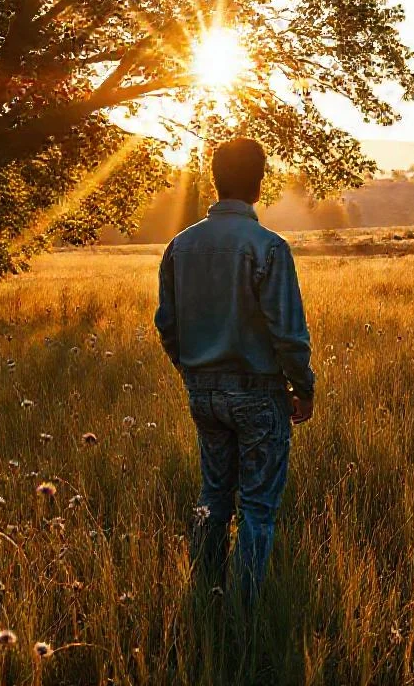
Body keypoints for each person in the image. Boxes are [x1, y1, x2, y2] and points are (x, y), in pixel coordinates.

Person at [154, 137, 315, 607]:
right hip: (260, 394)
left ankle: (205, 593)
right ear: (260, 183)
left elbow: (167, 324)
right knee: (259, 508)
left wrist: (191, 372)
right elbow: (288, 333)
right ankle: (243, 614)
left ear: (213, 179)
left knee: (214, 494)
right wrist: (303, 387)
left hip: (202, 393)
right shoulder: (268, 248)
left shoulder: (179, 247)